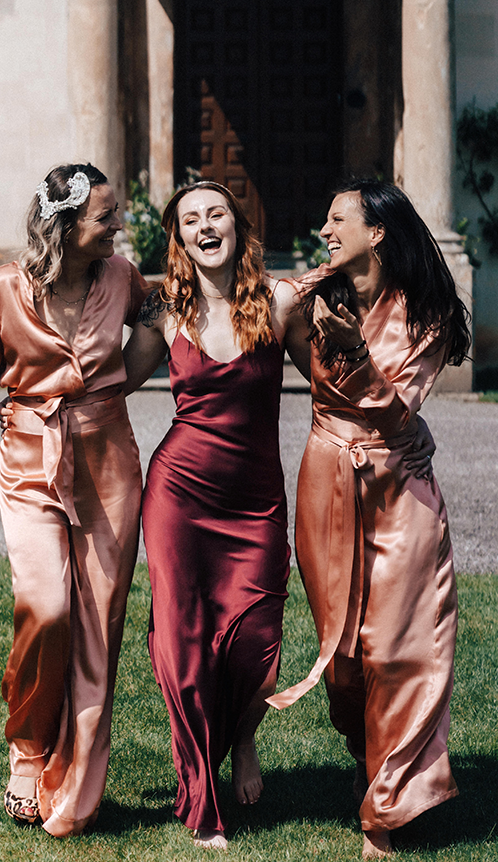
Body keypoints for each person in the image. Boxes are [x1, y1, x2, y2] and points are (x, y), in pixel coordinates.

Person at [121, 180, 437, 849]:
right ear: (178, 239)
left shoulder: (283, 301)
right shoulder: (163, 313)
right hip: (178, 494)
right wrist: (38, 390)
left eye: (216, 215)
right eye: (190, 220)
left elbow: (332, 388)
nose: (205, 226)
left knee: (256, 644)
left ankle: (243, 737)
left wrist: (399, 434)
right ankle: (203, 799)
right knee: (183, 647)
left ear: (238, 226)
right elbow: (110, 381)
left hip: (254, 500)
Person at [267, 179, 470, 859]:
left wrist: (354, 354)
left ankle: (384, 813)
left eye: (337, 219)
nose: (324, 229)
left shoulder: (429, 311)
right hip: (326, 483)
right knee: (346, 661)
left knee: (399, 650)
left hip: (400, 487)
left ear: (377, 231)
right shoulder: (319, 296)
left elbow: (394, 411)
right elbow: (253, 342)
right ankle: (367, 751)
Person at [0, 163, 148, 837]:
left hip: (110, 466)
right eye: (104, 216)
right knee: (49, 608)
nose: (117, 225)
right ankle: (29, 750)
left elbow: (168, 321)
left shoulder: (123, 280)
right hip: (28, 459)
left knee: (99, 630)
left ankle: (74, 792)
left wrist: (135, 374)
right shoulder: (3, 290)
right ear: (64, 224)